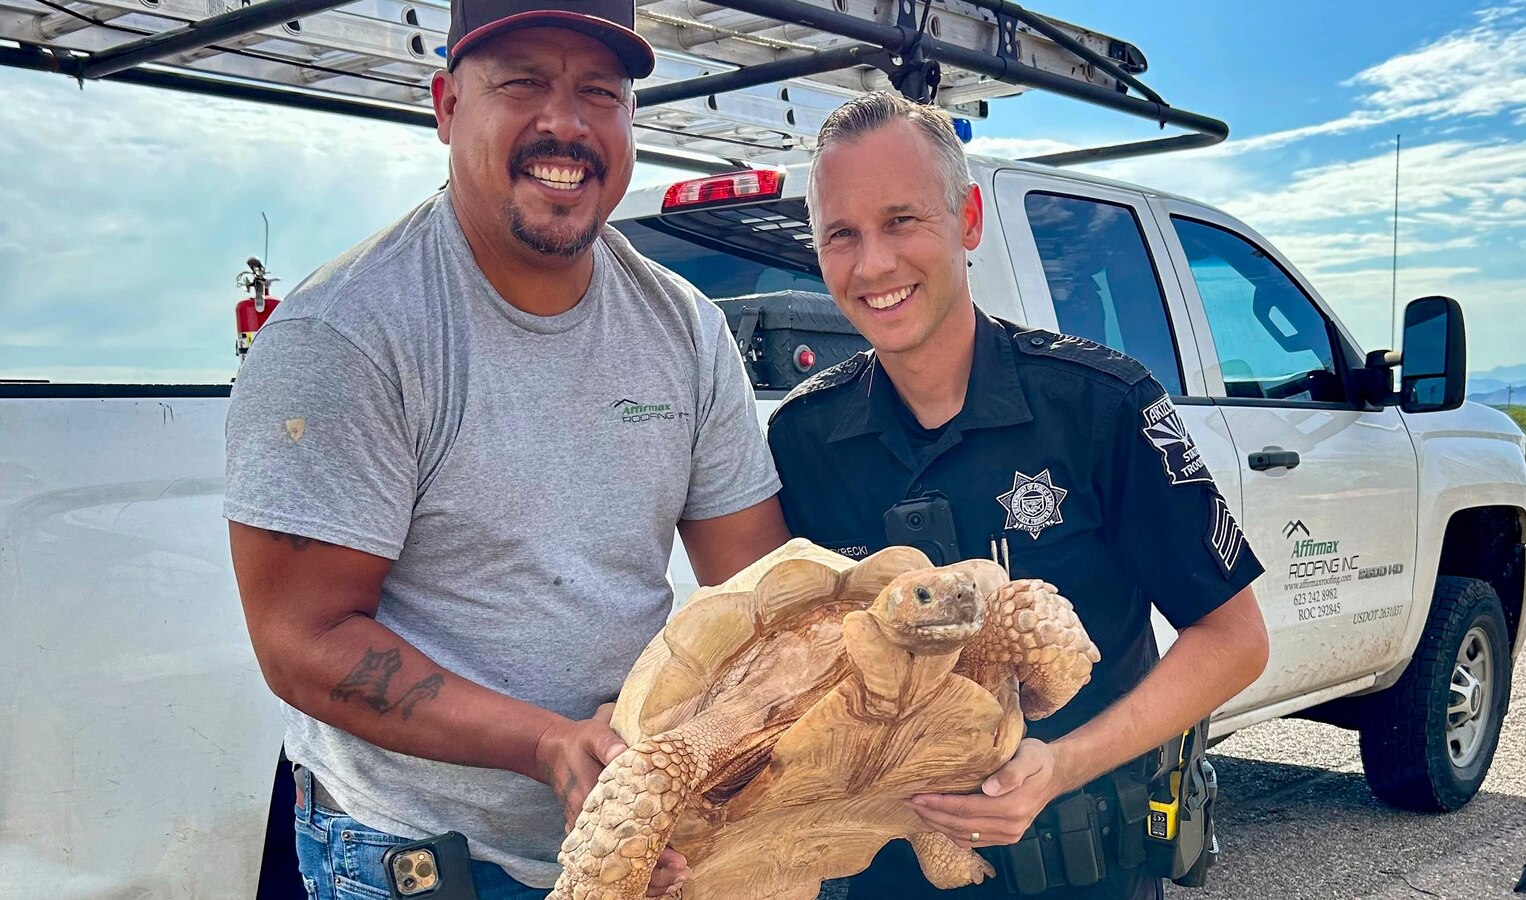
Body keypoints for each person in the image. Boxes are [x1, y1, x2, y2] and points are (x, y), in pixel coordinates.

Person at [224, 1, 789, 896]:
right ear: (448, 105)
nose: (564, 123)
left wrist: (686, 736)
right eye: (522, 81)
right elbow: (303, 640)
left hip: (632, 847)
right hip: (414, 861)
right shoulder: (350, 332)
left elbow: (763, 593)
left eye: (598, 92)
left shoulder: (683, 328)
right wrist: (548, 745)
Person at [766, 92, 1270, 900]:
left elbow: (1235, 639)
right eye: (842, 235)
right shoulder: (804, 440)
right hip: (887, 876)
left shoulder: (1101, 405)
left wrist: (1059, 765)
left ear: (967, 218)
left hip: (1083, 869)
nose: (873, 265)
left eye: (902, 220)